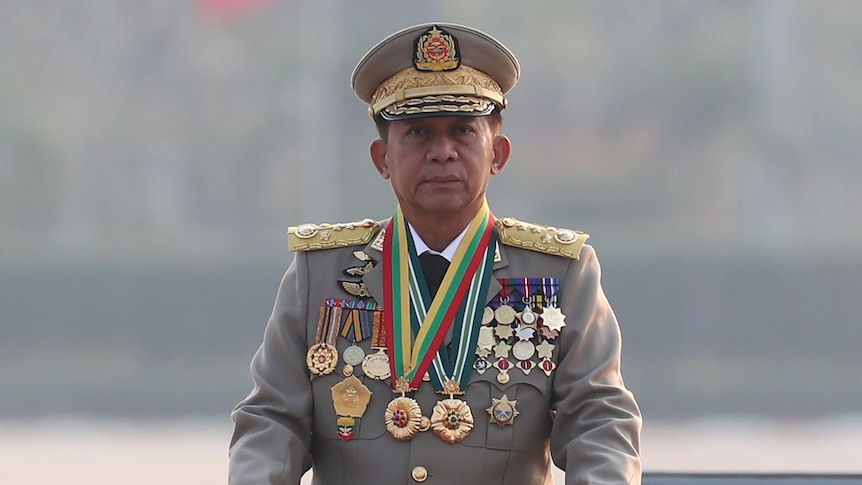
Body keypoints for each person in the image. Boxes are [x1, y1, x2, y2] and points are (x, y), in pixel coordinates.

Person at [229, 22, 642, 485]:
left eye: (463, 131)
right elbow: (271, 420)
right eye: (419, 132)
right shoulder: (321, 272)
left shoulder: (560, 273)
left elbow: (599, 420)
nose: (442, 152)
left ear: (498, 154)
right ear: (381, 158)